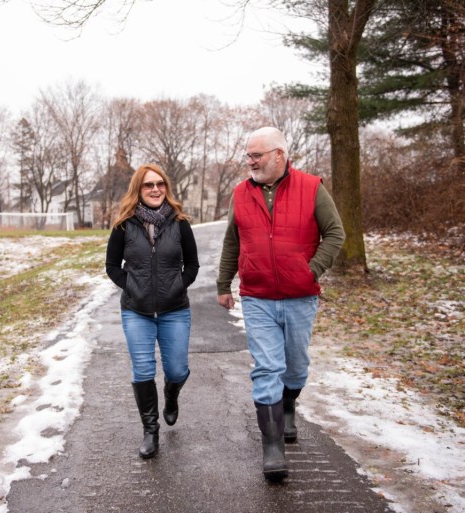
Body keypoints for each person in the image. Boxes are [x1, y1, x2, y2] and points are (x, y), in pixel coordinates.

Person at [216, 126, 345, 480]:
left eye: (257, 155)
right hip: (257, 295)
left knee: (296, 365)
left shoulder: (311, 187)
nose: (250, 161)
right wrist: (223, 283)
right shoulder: (241, 193)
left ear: (279, 155)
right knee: (266, 368)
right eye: (248, 155)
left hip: (300, 296)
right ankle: (272, 448)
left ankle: (288, 405)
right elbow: (232, 241)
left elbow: (336, 233)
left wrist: (312, 270)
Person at [105, 163, 200, 459]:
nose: (156, 189)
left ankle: (171, 395)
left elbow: (193, 265)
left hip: (174, 310)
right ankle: (150, 431)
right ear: (139, 190)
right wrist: (132, 287)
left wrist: (177, 286)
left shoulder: (180, 223)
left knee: (176, 369)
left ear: (166, 188)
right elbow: (112, 266)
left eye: (160, 184)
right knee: (143, 370)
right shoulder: (124, 225)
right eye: (149, 185)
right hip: (137, 311)